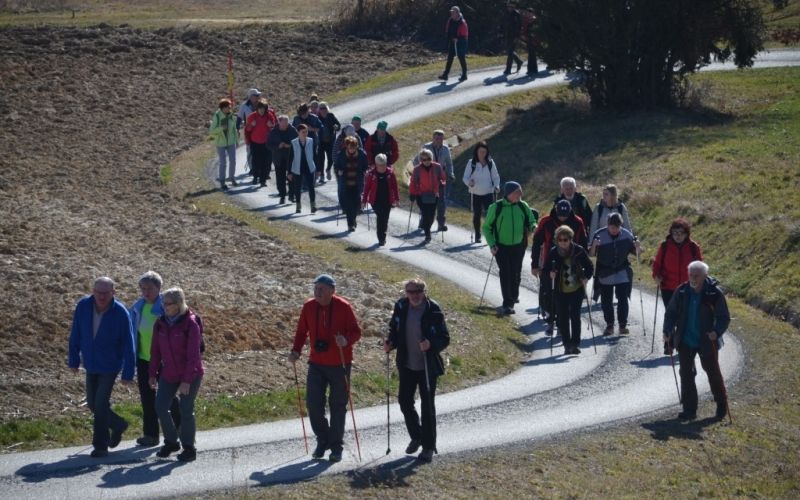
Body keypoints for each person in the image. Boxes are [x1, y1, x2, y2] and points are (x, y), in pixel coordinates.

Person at [289, 274, 362, 463]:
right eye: (316, 288)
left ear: (332, 291)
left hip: (340, 363)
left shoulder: (344, 307)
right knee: (313, 404)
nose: (317, 292)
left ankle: (336, 446)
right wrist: (296, 351)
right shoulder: (308, 306)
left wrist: (345, 340)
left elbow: (356, 332)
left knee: (338, 406)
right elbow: (301, 331)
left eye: (321, 289)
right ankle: (323, 440)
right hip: (316, 363)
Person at [68, 277, 135, 458]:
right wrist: (73, 359)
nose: (101, 296)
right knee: (92, 403)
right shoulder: (83, 306)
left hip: (110, 365)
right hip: (90, 363)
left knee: (99, 403)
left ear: (113, 292)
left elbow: (129, 344)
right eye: (98, 292)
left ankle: (100, 445)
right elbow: (76, 333)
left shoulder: (121, 313)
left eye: (106, 293)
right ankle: (118, 424)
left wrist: (128, 372)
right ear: (93, 291)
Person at [385, 278, 450, 463]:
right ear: (406, 292)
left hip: (427, 366)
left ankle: (429, 447)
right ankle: (417, 435)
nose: (414, 295)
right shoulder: (401, 306)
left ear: (424, 292)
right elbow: (394, 329)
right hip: (406, 363)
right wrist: (390, 343)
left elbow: (444, 338)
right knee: (404, 401)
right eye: (410, 291)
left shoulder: (433, 309)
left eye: (418, 291)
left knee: (427, 407)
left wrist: (431, 344)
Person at [663, 261, 730, 421]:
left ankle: (721, 405)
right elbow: (671, 313)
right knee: (686, 373)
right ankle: (689, 410)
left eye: (696, 275)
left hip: (707, 340)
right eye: (691, 275)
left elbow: (723, 317)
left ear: (705, 275)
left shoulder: (714, 293)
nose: (693, 278)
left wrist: (717, 332)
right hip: (685, 339)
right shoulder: (682, 290)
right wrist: (667, 331)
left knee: (713, 373)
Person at [148, 287, 204, 462]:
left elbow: (193, 356)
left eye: (168, 304)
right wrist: (152, 374)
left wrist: (187, 381)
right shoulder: (160, 323)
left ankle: (189, 447)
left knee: (186, 409)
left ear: (178, 304)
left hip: (191, 374)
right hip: (169, 373)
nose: (164, 307)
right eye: (163, 303)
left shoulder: (191, 324)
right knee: (160, 406)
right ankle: (171, 441)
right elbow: (155, 351)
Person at [128, 271, 180, 447]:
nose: (145, 292)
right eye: (142, 288)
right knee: (147, 398)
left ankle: (179, 429)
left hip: (165, 361)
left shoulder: (166, 308)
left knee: (169, 397)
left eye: (149, 288)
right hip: (144, 359)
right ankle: (151, 435)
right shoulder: (138, 307)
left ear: (159, 288)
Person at [531, 199, 588, 334]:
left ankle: (561, 323)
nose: (562, 218)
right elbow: (536, 243)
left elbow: (583, 244)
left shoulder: (578, 222)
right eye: (560, 214)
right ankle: (550, 318)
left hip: (571, 265)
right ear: (556, 210)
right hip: (549, 262)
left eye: (565, 215)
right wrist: (534, 264)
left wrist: (583, 266)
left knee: (566, 294)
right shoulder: (546, 221)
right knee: (548, 293)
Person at [483, 181, 538, 315]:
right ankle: (508, 303)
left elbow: (531, 221)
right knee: (505, 272)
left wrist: (534, 227)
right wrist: (492, 244)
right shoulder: (496, 207)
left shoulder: (523, 206)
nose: (520, 194)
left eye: (520, 192)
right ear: (509, 193)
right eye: (517, 192)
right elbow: (486, 227)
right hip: (501, 247)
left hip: (519, 245)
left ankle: (513, 295)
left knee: (516, 272)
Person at [652, 218, 704, 354]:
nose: (678, 236)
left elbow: (700, 267)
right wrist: (656, 276)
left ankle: (681, 343)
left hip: (688, 287)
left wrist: (699, 282)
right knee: (671, 315)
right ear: (671, 233)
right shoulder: (665, 246)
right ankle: (668, 343)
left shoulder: (693, 248)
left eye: (681, 233)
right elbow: (657, 265)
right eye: (675, 233)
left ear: (686, 234)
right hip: (668, 287)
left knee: (685, 316)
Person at [542, 226, 594, 355]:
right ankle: (567, 345)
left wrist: (586, 278)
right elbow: (545, 270)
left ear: (571, 239)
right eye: (560, 240)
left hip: (576, 289)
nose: (563, 242)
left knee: (575, 316)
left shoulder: (578, 251)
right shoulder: (554, 252)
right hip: (560, 291)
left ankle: (575, 344)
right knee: (563, 318)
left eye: (565, 239)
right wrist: (550, 274)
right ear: (557, 240)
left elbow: (589, 267)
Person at [589, 213, 641, 336]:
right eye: (611, 227)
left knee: (623, 299)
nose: (614, 230)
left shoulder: (627, 235)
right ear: (607, 225)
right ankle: (610, 325)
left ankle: (622, 325)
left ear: (620, 226)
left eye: (616, 227)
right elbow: (591, 254)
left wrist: (638, 247)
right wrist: (595, 245)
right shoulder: (599, 235)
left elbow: (636, 254)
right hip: (605, 272)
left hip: (622, 271)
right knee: (606, 301)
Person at [414, 130, 454, 232]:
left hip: (440, 179)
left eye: (441, 139)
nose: (439, 141)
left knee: (441, 202)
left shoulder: (445, 149)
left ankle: (441, 224)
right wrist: (419, 174)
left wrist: (450, 174)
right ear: (433, 138)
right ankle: (423, 222)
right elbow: (416, 161)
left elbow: (449, 163)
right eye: (437, 138)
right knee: (426, 202)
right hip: (427, 179)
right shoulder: (426, 147)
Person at [462, 141, 501, 243]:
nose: (482, 154)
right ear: (476, 152)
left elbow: (496, 177)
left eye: (484, 152)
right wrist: (469, 183)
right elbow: (465, 178)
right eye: (480, 151)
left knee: (490, 215)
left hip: (489, 192)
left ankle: (490, 234)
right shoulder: (472, 163)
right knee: (477, 215)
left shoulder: (490, 163)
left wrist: (497, 186)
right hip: (475, 192)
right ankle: (477, 235)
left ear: (487, 152)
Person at [409, 148, 446, 244]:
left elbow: (443, 178)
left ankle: (427, 228)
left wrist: (442, 183)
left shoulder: (437, 167)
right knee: (425, 215)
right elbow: (413, 182)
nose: (426, 161)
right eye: (424, 159)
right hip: (421, 195)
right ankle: (427, 234)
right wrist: (412, 194)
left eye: (428, 159)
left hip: (434, 195)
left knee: (431, 215)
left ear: (431, 158)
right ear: (421, 160)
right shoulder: (417, 169)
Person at [362, 153, 400, 246]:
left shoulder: (390, 173)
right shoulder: (371, 174)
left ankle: (383, 236)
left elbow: (395, 187)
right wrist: (364, 201)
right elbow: (367, 188)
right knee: (380, 217)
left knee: (385, 218)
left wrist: (397, 199)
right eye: (380, 165)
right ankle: (381, 238)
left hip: (387, 200)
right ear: (376, 164)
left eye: (384, 164)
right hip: (375, 201)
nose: (382, 167)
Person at [335, 136, 369, 232]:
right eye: (350, 147)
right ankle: (350, 224)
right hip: (345, 184)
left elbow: (366, 166)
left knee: (356, 205)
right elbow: (336, 166)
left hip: (357, 183)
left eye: (353, 147)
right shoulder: (341, 154)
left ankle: (353, 219)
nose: (351, 150)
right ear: (346, 146)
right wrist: (338, 171)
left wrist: (365, 171)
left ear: (356, 146)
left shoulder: (362, 154)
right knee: (349, 205)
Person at [244, 99, 277, 188]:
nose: (262, 110)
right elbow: (247, 129)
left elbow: (274, 127)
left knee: (265, 162)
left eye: (263, 108)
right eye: (260, 108)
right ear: (257, 109)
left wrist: (271, 125)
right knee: (255, 161)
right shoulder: (252, 116)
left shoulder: (269, 116)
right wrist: (251, 125)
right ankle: (255, 177)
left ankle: (263, 180)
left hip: (266, 143)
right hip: (255, 142)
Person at [208, 98, 239, 191]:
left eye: (229, 107)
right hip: (220, 143)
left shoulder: (232, 116)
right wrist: (221, 128)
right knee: (223, 163)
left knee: (233, 160)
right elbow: (211, 132)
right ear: (222, 108)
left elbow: (234, 129)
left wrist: (236, 140)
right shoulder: (217, 116)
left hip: (231, 142)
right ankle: (222, 181)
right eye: (227, 107)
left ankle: (231, 178)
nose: (229, 109)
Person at [267, 114, 298, 204]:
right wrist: (278, 146)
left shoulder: (293, 130)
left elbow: (298, 143)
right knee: (280, 178)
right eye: (283, 124)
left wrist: (289, 146)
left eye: (286, 124)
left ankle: (292, 195)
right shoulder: (273, 132)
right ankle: (282, 196)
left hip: (290, 158)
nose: (285, 126)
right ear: (279, 122)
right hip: (278, 158)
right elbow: (268, 145)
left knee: (292, 177)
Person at [288, 124, 318, 214]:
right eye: (303, 132)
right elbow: (290, 158)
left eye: (306, 132)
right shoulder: (293, 142)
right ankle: (298, 206)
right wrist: (289, 172)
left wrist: (318, 169)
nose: (305, 133)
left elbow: (315, 155)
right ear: (298, 132)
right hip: (297, 168)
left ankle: (313, 206)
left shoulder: (311, 141)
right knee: (297, 188)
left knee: (311, 187)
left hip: (309, 167)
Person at [292, 103, 324, 182]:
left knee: (313, 159)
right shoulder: (296, 119)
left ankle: (316, 174)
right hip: (300, 143)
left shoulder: (314, 118)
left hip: (312, 143)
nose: (304, 115)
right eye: (302, 113)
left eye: (305, 113)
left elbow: (321, 128)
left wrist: (312, 129)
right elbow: (292, 130)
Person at [438, 6, 469, 82]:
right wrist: (448, 41)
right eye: (451, 12)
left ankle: (464, 75)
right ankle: (445, 75)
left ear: (457, 13)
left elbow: (465, 35)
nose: (451, 14)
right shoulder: (450, 20)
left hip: (461, 42)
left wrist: (457, 39)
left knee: (461, 57)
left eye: (453, 12)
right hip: (453, 41)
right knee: (450, 58)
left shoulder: (462, 22)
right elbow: (448, 31)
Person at [318, 101, 341, 182]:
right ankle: (322, 175)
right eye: (321, 108)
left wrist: (336, 126)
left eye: (324, 108)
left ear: (327, 108)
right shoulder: (317, 117)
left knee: (331, 158)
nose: (323, 110)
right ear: (319, 109)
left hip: (330, 141)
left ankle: (328, 169)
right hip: (320, 141)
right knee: (321, 159)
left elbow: (338, 125)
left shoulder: (330, 116)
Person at [503, 2, 523, 75]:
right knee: (509, 51)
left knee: (510, 53)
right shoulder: (507, 13)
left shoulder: (516, 15)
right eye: (508, 6)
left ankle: (508, 69)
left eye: (511, 6)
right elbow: (504, 24)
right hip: (508, 35)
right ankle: (519, 61)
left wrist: (517, 37)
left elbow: (519, 26)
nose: (509, 8)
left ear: (514, 7)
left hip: (514, 36)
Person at [520, 7, 538, 76]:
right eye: (527, 12)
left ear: (532, 13)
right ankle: (530, 69)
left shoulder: (534, 20)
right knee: (530, 54)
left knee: (533, 54)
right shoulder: (526, 20)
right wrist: (523, 36)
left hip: (534, 39)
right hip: (528, 39)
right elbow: (524, 29)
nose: (528, 14)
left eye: (530, 12)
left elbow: (536, 31)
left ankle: (534, 69)